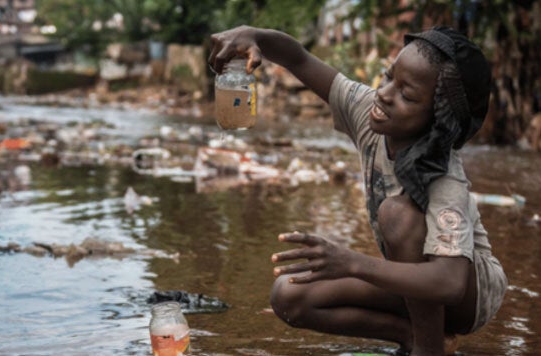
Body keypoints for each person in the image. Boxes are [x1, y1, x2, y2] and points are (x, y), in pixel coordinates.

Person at [208, 25, 508, 356]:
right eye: (389, 76)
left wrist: (353, 263)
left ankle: (428, 349)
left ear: (436, 121)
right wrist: (255, 37)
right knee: (289, 295)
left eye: (406, 95)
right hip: (418, 283)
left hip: (470, 294)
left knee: (397, 215)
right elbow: (299, 59)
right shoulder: (369, 113)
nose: (384, 93)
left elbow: (450, 283)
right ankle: (409, 335)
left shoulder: (444, 177)